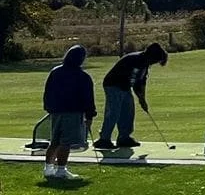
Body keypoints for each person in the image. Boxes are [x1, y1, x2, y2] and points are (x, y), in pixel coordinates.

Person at [96, 42, 167, 151]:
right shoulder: (136, 60)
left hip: (124, 86)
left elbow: (142, 82)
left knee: (128, 111)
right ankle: (104, 139)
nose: (154, 63)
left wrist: (142, 99)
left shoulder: (145, 63)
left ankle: (124, 138)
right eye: (155, 60)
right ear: (151, 56)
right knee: (114, 112)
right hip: (113, 84)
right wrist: (141, 99)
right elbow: (134, 82)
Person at [42, 44, 95, 181]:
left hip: (56, 111)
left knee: (54, 140)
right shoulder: (83, 77)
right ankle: (61, 170)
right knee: (65, 142)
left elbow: (47, 92)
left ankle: (48, 168)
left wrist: (49, 107)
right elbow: (88, 98)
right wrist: (89, 116)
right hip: (72, 112)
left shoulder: (55, 72)